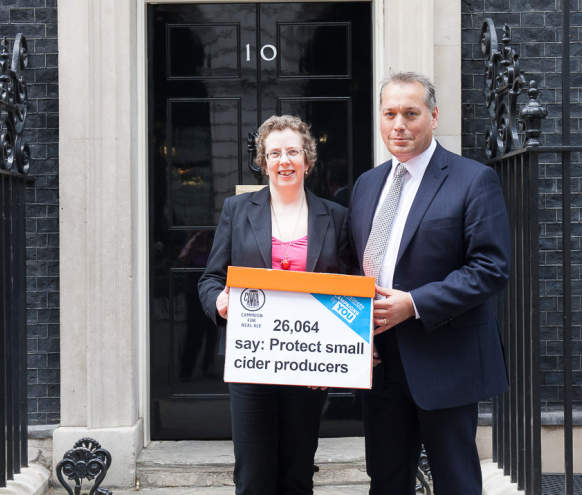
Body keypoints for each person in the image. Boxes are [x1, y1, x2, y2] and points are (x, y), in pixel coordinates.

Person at [349, 72, 510, 494]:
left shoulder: (472, 179)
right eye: (389, 113)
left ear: (434, 116)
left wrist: (413, 304)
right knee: (386, 480)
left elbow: (490, 267)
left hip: (445, 357)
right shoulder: (367, 185)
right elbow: (355, 269)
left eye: (410, 113)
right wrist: (353, 338)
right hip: (381, 361)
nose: (398, 124)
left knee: (455, 480)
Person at [198, 115, 350, 495]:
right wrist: (219, 301)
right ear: (263, 162)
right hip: (252, 363)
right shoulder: (237, 210)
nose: (284, 160)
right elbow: (210, 279)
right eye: (275, 153)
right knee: (253, 476)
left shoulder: (335, 217)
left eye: (293, 152)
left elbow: (348, 291)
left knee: (297, 473)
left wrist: (341, 354)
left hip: (309, 363)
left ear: (307, 159)